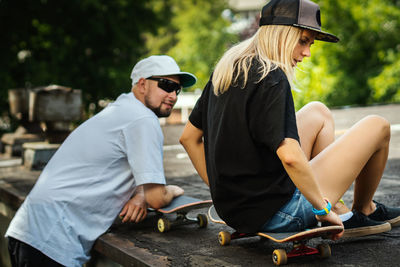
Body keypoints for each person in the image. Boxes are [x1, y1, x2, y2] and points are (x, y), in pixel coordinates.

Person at [180, 0, 400, 240]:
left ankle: (339, 207)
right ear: (281, 34)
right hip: (279, 213)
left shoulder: (227, 68)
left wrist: (220, 192)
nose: (306, 53)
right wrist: (321, 210)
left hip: (234, 210)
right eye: (303, 41)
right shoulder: (271, 75)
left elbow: (188, 138)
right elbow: (290, 156)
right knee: (377, 125)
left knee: (318, 112)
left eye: (310, 44)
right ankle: (362, 209)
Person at [5, 55, 197, 267]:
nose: (172, 95)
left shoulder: (120, 110)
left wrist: (141, 194)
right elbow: (157, 199)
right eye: (166, 85)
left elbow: (129, 177)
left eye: (177, 89)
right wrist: (172, 190)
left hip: (30, 233)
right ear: (142, 84)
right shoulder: (142, 119)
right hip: (51, 244)